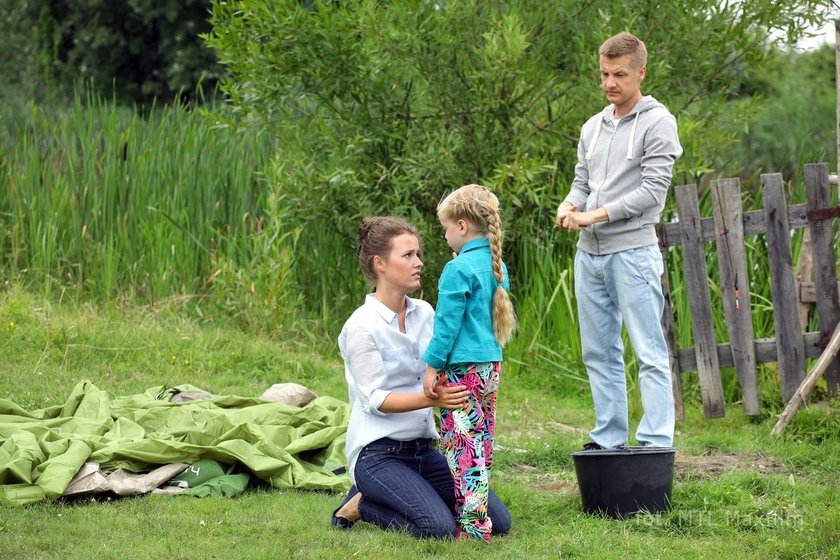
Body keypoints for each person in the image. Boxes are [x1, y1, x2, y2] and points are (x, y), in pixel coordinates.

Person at [331, 216, 511, 539]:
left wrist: (471, 272)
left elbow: (460, 341)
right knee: (437, 527)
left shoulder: (426, 313)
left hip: (424, 451)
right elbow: (376, 400)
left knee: (497, 520)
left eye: (418, 254)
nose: (419, 262)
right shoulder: (361, 327)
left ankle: (407, 493)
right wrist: (432, 398)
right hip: (377, 455)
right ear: (380, 264)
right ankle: (362, 504)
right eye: (408, 255)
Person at [555, 32, 681, 450]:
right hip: (588, 254)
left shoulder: (658, 121)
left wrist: (595, 214)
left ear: (641, 72)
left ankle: (655, 441)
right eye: (605, 74)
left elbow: (653, 191)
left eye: (620, 74)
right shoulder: (593, 126)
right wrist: (570, 204)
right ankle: (608, 437)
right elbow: (582, 181)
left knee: (649, 352)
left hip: (633, 252)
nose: (610, 83)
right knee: (598, 352)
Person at [421, 184, 516, 543]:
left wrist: (432, 367)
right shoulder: (496, 265)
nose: (444, 235)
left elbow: (446, 326)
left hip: (462, 370)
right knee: (481, 443)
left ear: (462, 227)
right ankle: (473, 516)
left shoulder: (456, 269)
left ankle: (475, 527)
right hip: (490, 367)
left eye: (445, 228)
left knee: (463, 447)